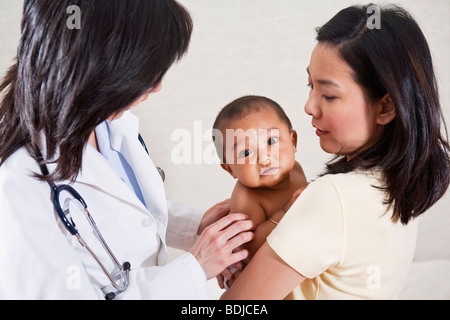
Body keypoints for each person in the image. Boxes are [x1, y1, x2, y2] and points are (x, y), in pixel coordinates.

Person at [0, 0, 254, 300]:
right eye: (146, 73)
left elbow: (120, 207)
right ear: (98, 69)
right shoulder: (16, 188)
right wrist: (195, 268)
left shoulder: (107, 124)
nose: (157, 86)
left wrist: (195, 226)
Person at [221, 4, 450, 300]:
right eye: (310, 85)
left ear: (385, 107)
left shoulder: (333, 197)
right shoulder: (404, 181)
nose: (309, 107)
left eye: (328, 95)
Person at [212, 96, 307, 289]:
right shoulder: (246, 198)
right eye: (246, 153)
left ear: (293, 141)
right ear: (229, 168)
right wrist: (285, 212)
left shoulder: (295, 169)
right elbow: (249, 247)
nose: (264, 159)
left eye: (271, 141)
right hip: (261, 276)